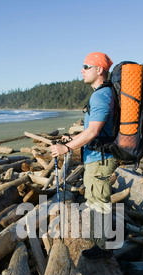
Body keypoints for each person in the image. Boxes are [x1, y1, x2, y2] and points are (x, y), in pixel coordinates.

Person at [51, 52, 119, 259]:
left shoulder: (101, 95)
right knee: (95, 198)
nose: (82, 70)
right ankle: (101, 242)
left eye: (86, 66)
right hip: (98, 156)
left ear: (100, 70)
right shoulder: (103, 93)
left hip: (101, 157)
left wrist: (67, 148)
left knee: (99, 200)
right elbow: (92, 129)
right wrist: (71, 137)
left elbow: (93, 131)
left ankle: (104, 249)